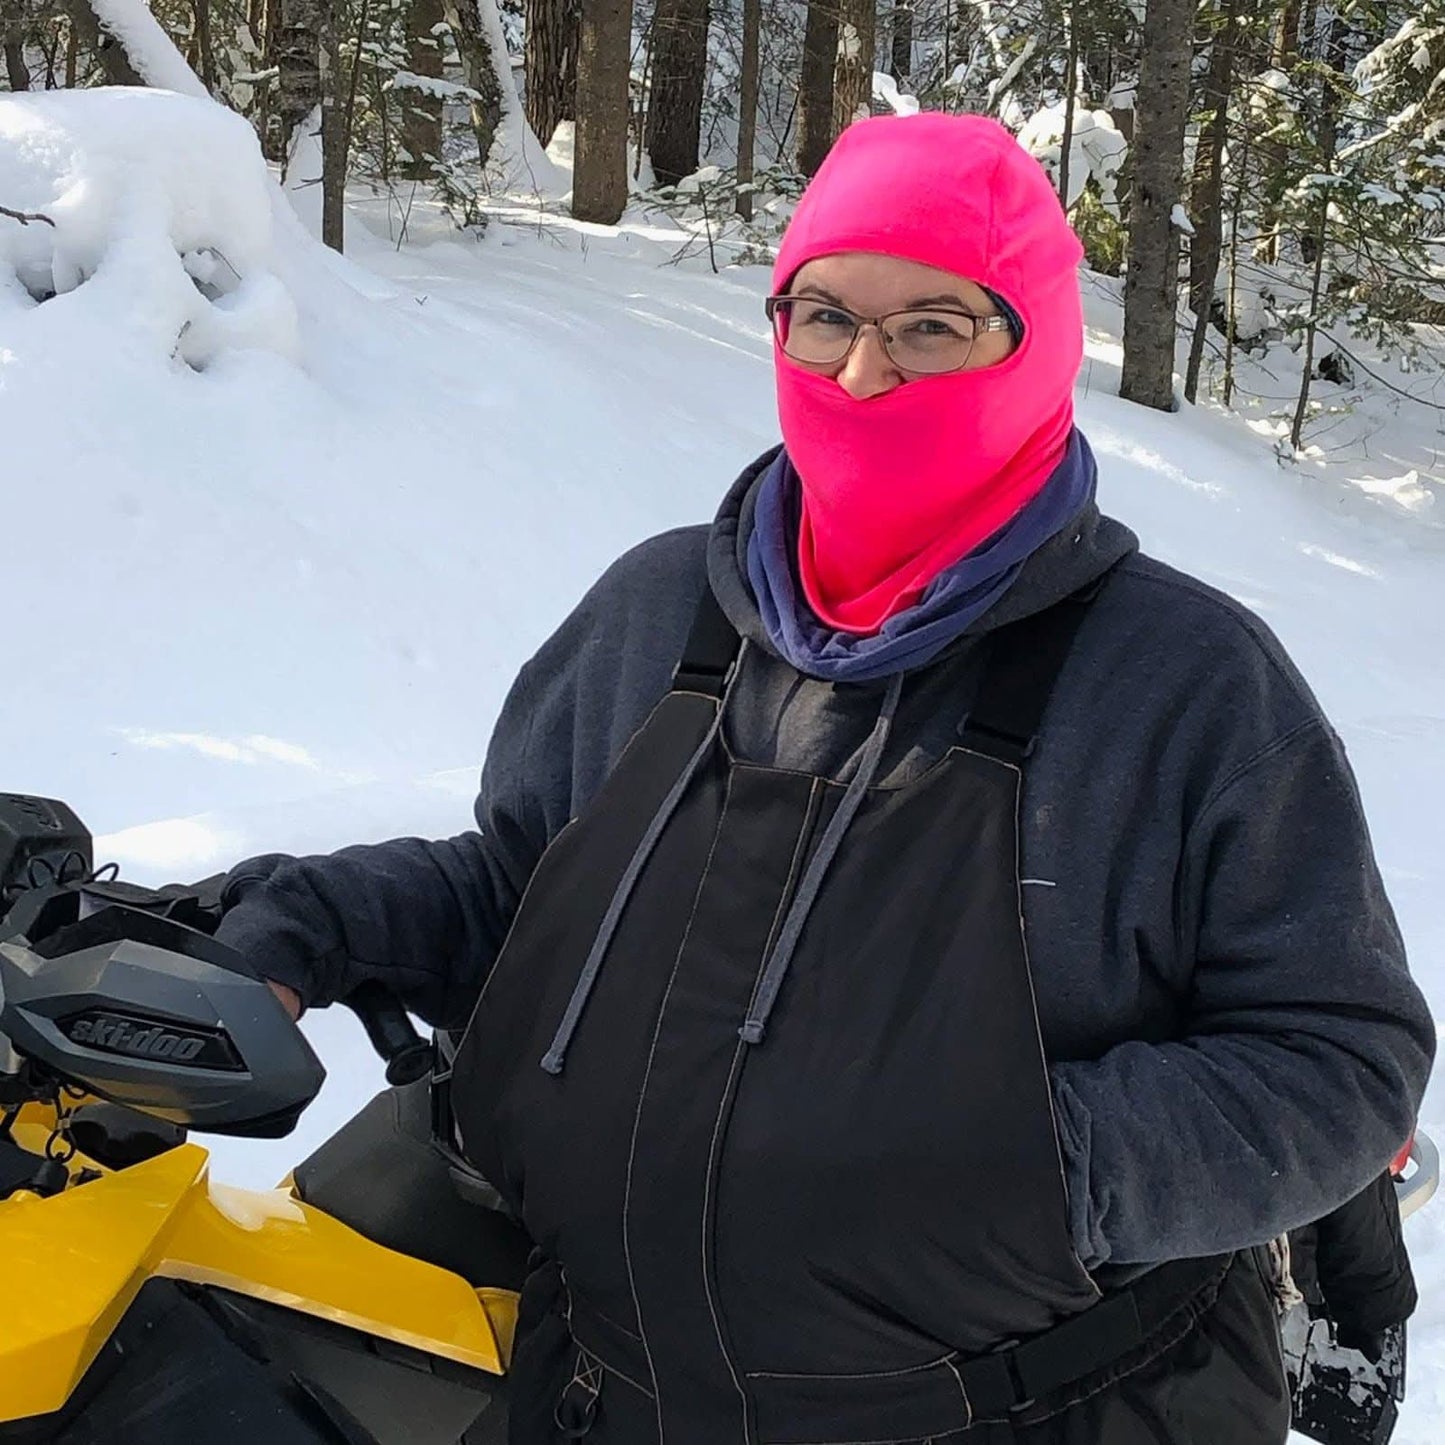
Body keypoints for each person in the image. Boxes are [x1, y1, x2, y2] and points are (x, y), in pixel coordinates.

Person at [216, 113, 1435, 1443]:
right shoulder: (659, 614)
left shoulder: (1181, 681)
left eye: (931, 326)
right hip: (605, 1395)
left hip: (1034, 1413)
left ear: (1033, 347)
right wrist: (310, 926)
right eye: (825, 317)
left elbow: (1336, 1055)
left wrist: (1044, 1166)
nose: (861, 371)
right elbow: (529, 901)